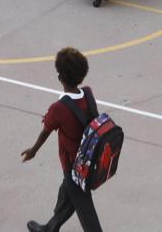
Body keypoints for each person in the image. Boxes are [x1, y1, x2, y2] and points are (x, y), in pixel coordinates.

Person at [21, 47, 102, 232]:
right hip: (90, 161)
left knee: (86, 212)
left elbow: (45, 132)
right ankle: (50, 228)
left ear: (60, 77)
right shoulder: (88, 94)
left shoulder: (58, 108)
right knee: (66, 197)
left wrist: (33, 151)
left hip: (74, 166)